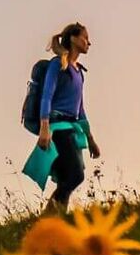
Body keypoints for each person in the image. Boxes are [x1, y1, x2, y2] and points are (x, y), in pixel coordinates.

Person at [30, 23, 100, 212]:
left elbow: (81, 109)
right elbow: (47, 96)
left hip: (73, 129)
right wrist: (45, 128)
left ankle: (55, 222)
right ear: (73, 39)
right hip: (58, 128)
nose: (89, 42)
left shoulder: (79, 72)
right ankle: (47, 217)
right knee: (75, 176)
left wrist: (91, 139)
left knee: (66, 179)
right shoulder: (57, 64)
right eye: (85, 38)